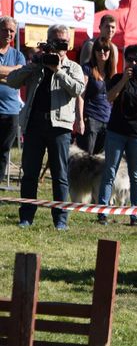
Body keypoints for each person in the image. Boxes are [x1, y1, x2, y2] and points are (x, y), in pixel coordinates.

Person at [7, 24, 85, 229]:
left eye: (64, 43)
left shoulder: (73, 67)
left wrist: (58, 70)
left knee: (60, 175)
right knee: (30, 173)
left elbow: (78, 89)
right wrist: (35, 64)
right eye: (57, 42)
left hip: (60, 126)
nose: (61, 47)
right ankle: (26, 217)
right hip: (35, 124)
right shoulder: (38, 64)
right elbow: (12, 80)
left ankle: (61, 220)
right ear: (49, 42)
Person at [97, 44, 137, 227]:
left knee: (136, 175)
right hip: (116, 131)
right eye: (130, 60)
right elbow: (109, 98)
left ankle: (135, 216)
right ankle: (102, 212)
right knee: (110, 170)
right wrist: (124, 80)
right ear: (124, 61)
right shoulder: (118, 78)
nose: (133, 64)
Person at [75, 37, 116, 154]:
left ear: (110, 52)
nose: (102, 52)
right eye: (98, 49)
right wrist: (80, 120)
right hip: (91, 118)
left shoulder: (111, 72)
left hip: (107, 120)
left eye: (105, 49)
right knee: (85, 159)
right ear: (94, 51)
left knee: (99, 162)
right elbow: (80, 95)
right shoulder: (87, 69)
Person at [0, 16, 25, 183]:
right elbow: (15, 75)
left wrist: (6, 73)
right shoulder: (15, 60)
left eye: (11, 31)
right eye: (5, 29)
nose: (8, 33)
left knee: (3, 152)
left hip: (11, 112)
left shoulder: (18, 55)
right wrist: (12, 73)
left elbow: (21, 77)